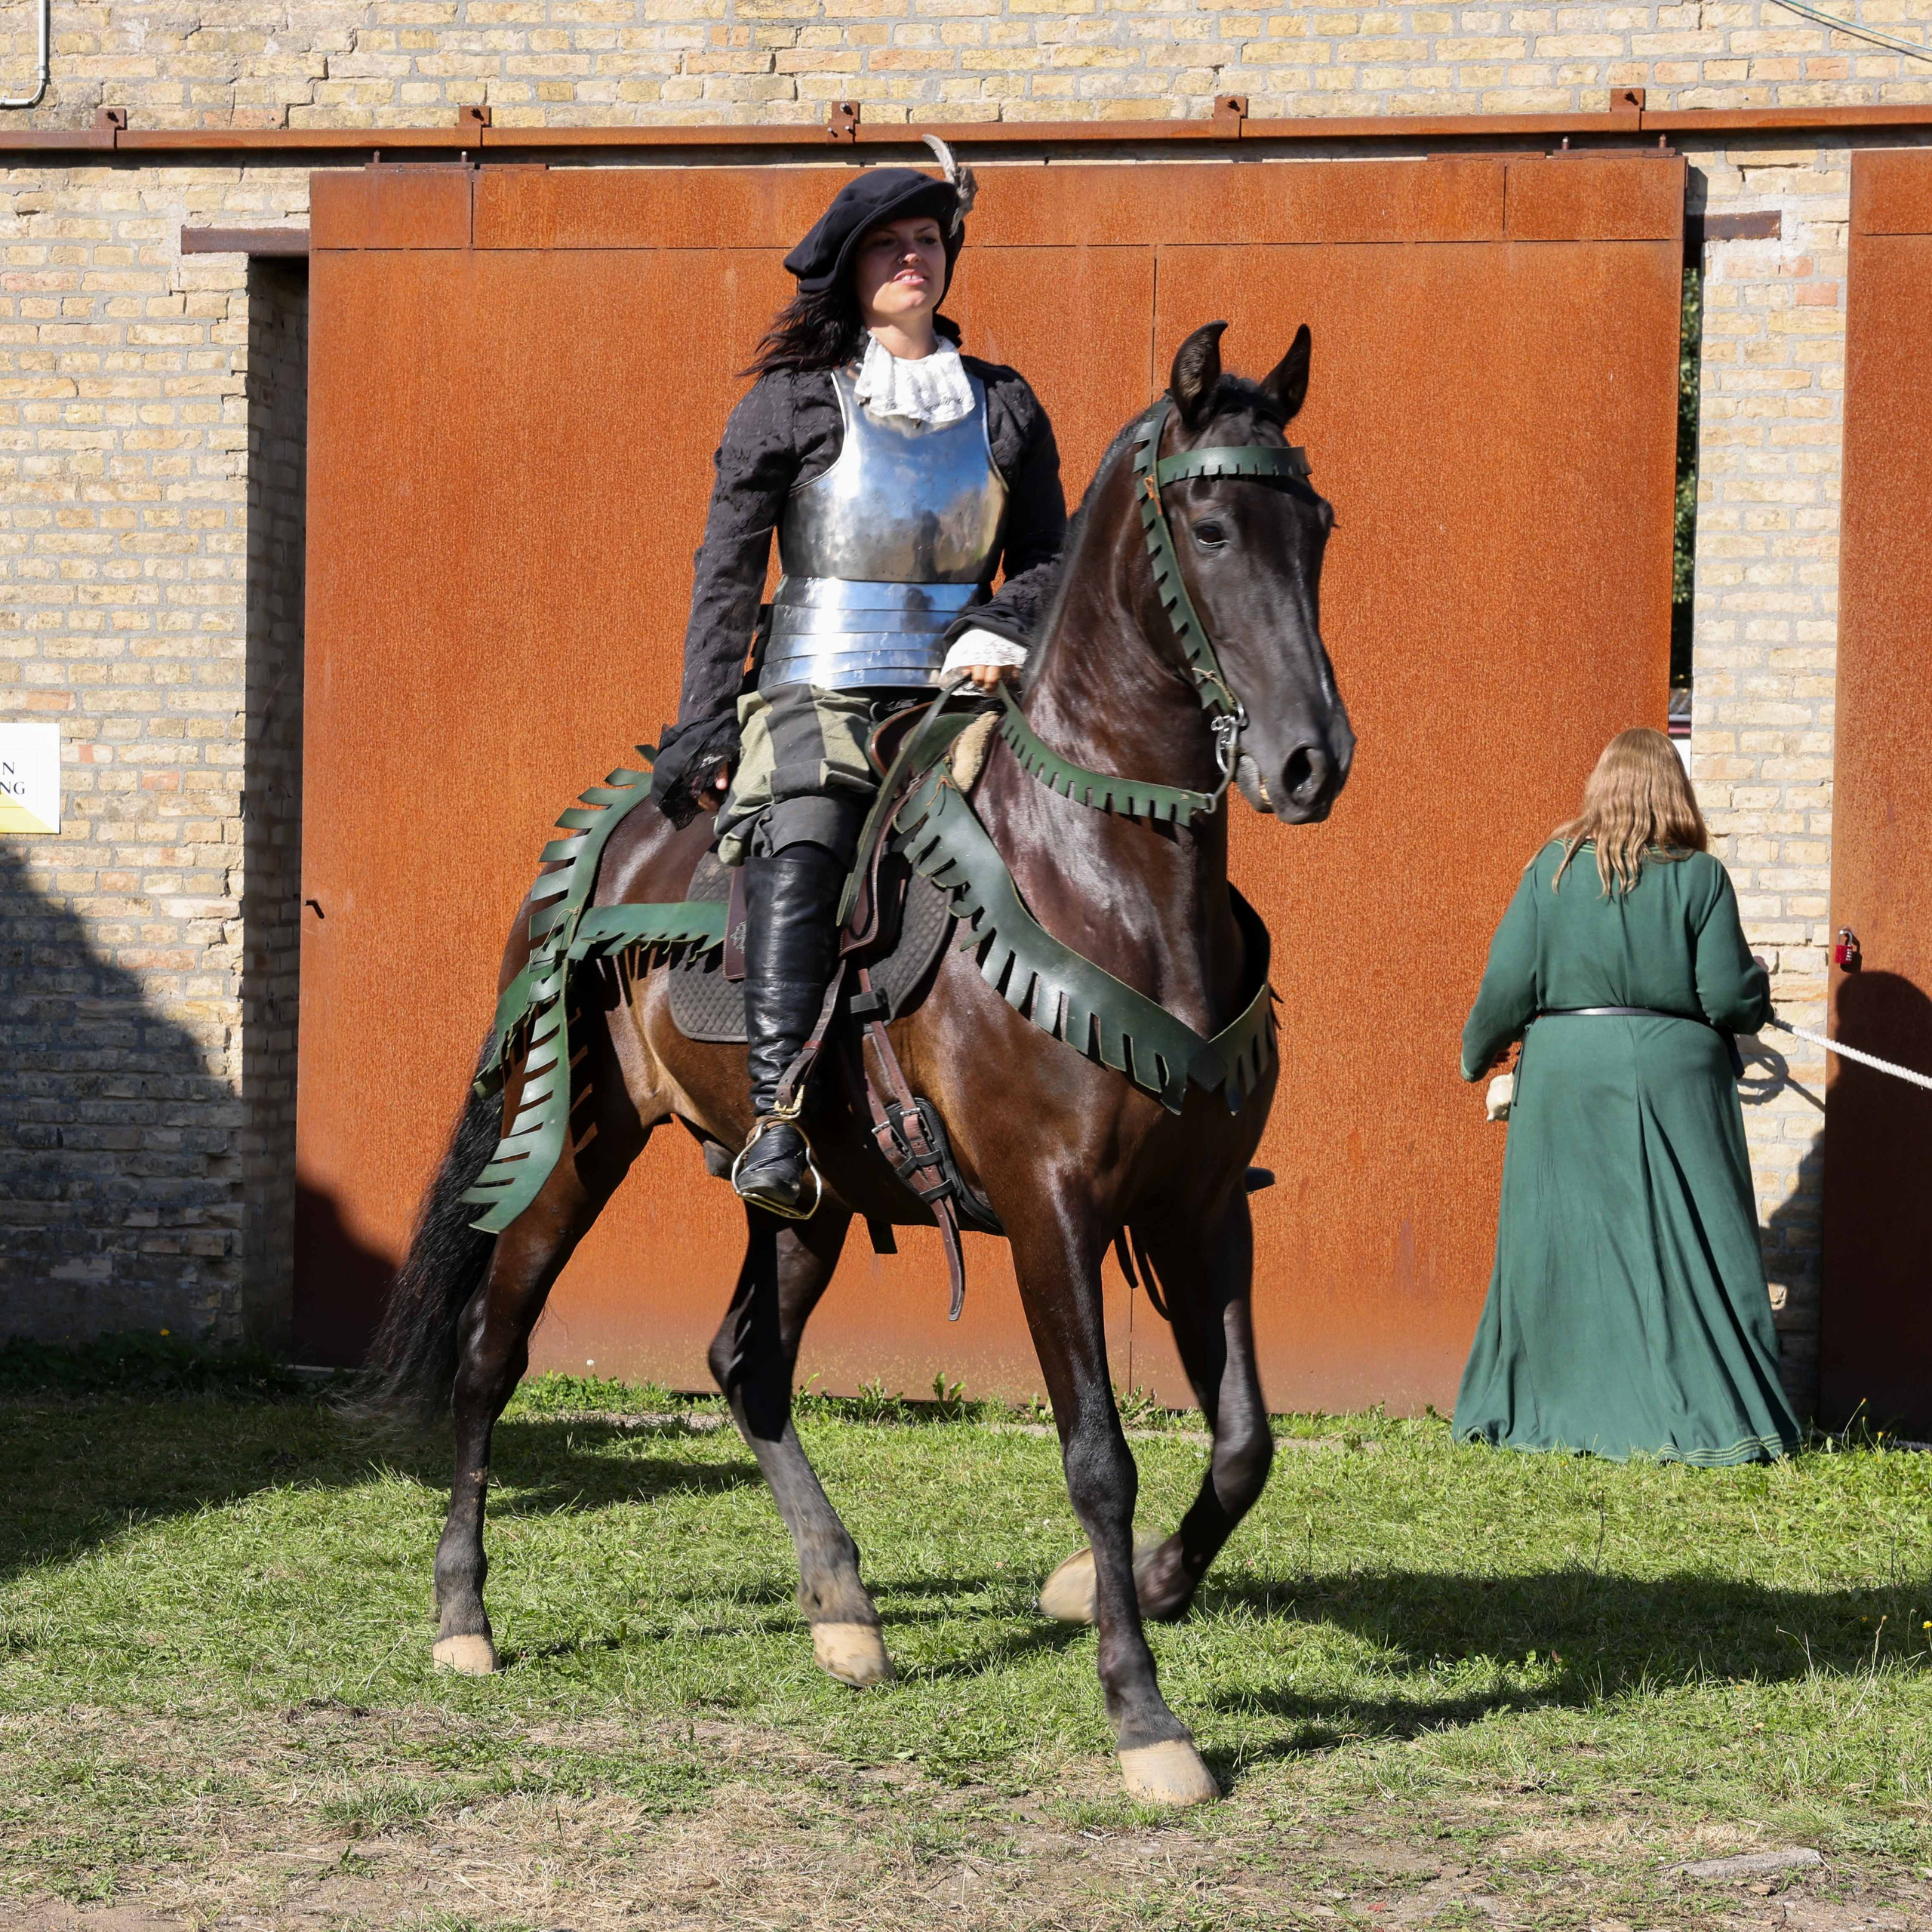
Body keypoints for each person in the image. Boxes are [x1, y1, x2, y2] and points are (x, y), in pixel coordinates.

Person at [648, 147, 1066, 1216]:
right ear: (851, 269)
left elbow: (1052, 561)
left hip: (964, 689)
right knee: (809, 835)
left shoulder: (1007, 405)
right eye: (890, 242)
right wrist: (702, 719)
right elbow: (730, 572)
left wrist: (997, 623)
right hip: (815, 687)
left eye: (927, 238)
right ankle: (779, 1121)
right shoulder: (789, 406)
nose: (913, 255)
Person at [1454, 728, 1802, 1465]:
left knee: (1561, 1249)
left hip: (1564, 1081)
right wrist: (1755, 995)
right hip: (1680, 1080)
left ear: (1600, 787)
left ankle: (1550, 1411)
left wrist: (1476, 1054)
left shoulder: (1551, 871)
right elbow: (1728, 997)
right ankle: (1712, 1418)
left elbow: (1507, 984)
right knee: (1696, 1248)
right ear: (1672, 790)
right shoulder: (1701, 877)